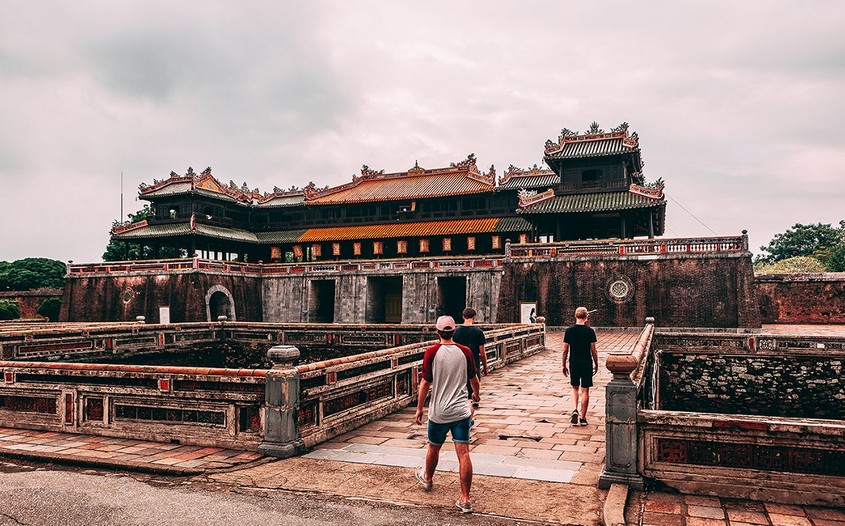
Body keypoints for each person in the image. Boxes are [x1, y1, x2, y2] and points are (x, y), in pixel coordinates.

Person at [414, 315, 480, 514]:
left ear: (437, 332)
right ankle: (465, 499)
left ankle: (428, 479)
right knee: (464, 454)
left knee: (434, 447)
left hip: (439, 412)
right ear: (453, 332)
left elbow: (425, 383)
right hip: (461, 411)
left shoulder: (432, 352)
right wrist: (476, 393)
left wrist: (419, 408)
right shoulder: (465, 351)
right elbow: (474, 379)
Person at [561, 307, 599, 426]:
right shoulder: (590, 331)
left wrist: (563, 365)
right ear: (586, 317)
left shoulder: (569, 331)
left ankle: (574, 410)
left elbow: (565, 350)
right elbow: (594, 350)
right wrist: (597, 364)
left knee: (574, 387)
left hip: (574, 362)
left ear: (575, 316)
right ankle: (583, 418)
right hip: (586, 362)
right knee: (585, 390)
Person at [453, 307, 488, 410]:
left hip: (459, 365)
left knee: (460, 393)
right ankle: (469, 417)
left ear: (463, 317)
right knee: (473, 393)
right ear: (474, 318)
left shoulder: (456, 331)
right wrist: (485, 368)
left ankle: (462, 415)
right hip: (474, 365)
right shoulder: (478, 332)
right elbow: (482, 353)